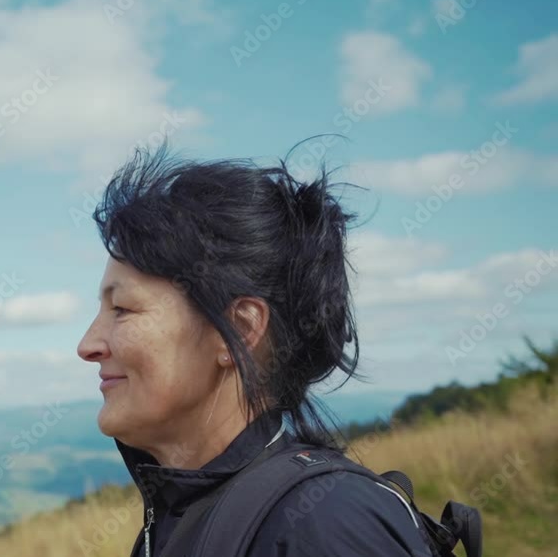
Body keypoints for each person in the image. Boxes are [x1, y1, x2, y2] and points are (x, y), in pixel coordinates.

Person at [76, 144, 434, 556]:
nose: (87, 345)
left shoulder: (323, 528)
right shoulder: (183, 512)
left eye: (122, 309)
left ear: (238, 330)